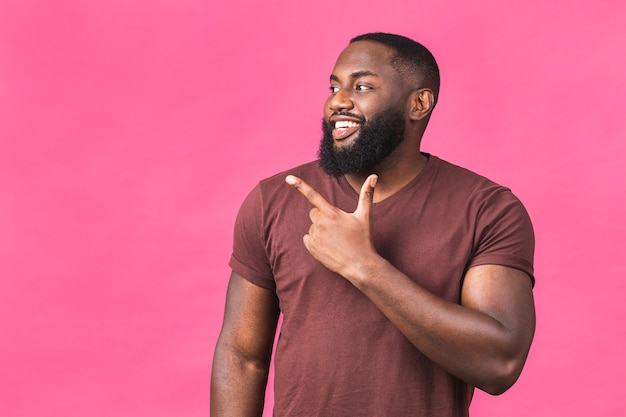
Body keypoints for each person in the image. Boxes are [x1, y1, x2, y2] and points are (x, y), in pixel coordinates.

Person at [211, 32, 536, 416]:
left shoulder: (488, 210)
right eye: (334, 86)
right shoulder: (275, 200)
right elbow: (242, 355)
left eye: (361, 86)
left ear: (419, 103)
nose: (337, 101)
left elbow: (498, 365)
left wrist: (365, 267)